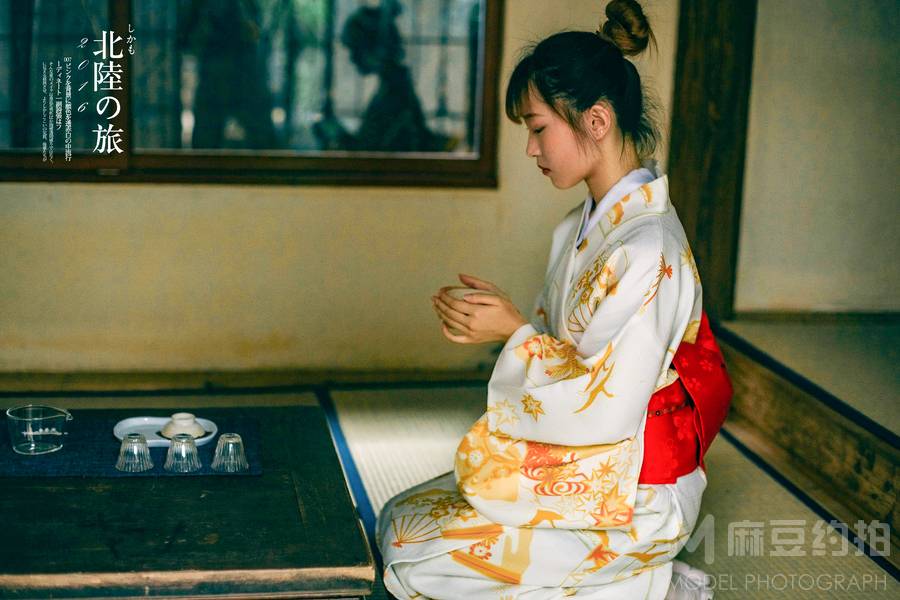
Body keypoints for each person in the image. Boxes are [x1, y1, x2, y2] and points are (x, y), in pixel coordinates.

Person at [376, 1, 732, 598]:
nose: (530, 149)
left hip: (634, 491)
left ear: (596, 120)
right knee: (399, 524)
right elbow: (561, 354)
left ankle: (653, 582)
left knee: (419, 565)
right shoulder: (578, 228)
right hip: (584, 465)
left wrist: (514, 333)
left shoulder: (649, 247)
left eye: (538, 128)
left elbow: (606, 406)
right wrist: (513, 324)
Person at [313, 2, 454, 152]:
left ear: (375, 49)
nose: (352, 58)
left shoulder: (395, 92)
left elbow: (370, 154)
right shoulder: (393, 86)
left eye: (356, 50)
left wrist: (338, 135)